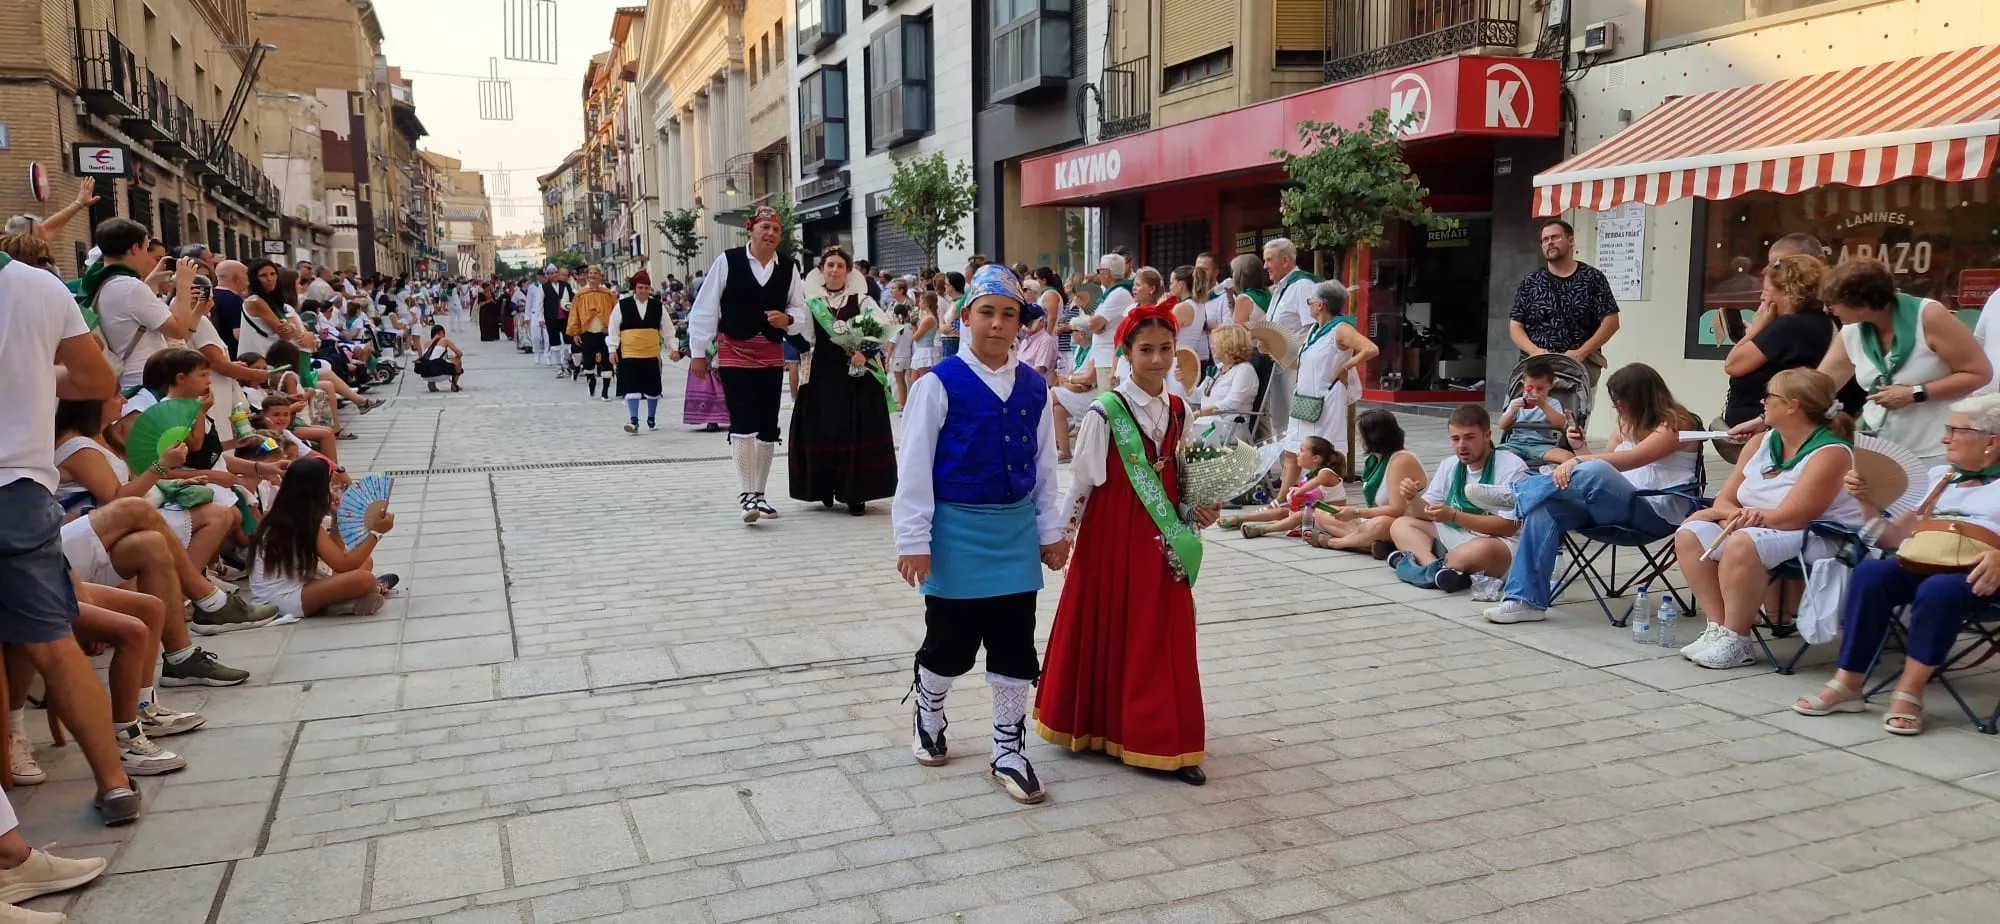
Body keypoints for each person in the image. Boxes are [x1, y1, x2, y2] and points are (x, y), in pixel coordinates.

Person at [893, 264, 1065, 805]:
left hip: (1013, 532)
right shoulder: (938, 384)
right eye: (986, 312)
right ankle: (929, 706)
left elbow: (1044, 465)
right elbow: (915, 466)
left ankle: (1008, 747)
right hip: (956, 533)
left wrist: (1049, 531)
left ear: (1022, 323)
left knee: (1015, 643)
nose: (996, 324)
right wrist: (913, 540)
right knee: (951, 644)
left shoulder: (1036, 386)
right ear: (964, 317)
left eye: (1008, 314)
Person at [1037, 301, 1220, 786]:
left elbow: (1186, 472)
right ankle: (1106, 727)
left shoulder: (1180, 409)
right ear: (1126, 352)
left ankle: (1166, 737)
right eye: (1146, 350)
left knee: (1164, 632)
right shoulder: (1106, 411)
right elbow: (1081, 483)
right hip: (1113, 537)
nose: (1157, 359)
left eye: (1165, 349)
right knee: (1114, 626)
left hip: (1162, 538)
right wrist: (1060, 538)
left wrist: (1204, 503)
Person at [0, 237, 148, 825]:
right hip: (18, 486)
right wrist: (35, 370)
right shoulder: (39, 286)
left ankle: (8, 792)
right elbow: (93, 379)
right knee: (53, 641)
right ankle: (113, 782)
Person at [1793, 392, 2000, 734]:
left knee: (1938, 591)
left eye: (1954, 430)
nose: (1944, 437)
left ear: (1990, 442)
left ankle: (1909, 691)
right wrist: (1865, 502)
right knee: (1873, 573)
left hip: (1982, 575)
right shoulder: (1941, 477)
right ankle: (1848, 683)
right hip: (1929, 560)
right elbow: (1890, 539)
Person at [1475, 363, 1702, 624]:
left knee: (1593, 470)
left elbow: (1632, 459)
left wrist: (1576, 461)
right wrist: (1579, 448)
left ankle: (1516, 495)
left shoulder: (1676, 423)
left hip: (1652, 512)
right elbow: (1598, 471)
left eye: (1620, 400)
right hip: (1611, 507)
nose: (1616, 406)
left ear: (1641, 397)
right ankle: (1525, 602)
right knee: (1543, 508)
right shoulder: (1624, 424)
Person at [1674, 369, 1863, 669]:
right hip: (1758, 525)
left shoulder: (1831, 452)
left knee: (1742, 543)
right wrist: (1731, 515)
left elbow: (1793, 517)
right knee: (1690, 534)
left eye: (1770, 396)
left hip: (1819, 534)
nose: (1762, 402)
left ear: (1793, 405)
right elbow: (1726, 498)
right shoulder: (1761, 441)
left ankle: (1738, 638)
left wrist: (1733, 519)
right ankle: (1718, 627)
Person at [687, 206, 810, 522]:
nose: (770, 234)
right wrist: (698, 352)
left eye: (776, 230)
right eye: (765, 227)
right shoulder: (728, 260)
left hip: (770, 350)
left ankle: (760, 494)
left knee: (769, 422)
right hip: (734, 349)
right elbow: (705, 307)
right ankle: (746, 495)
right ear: (751, 230)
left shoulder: (789, 268)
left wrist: (788, 319)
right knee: (743, 418)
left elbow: (800, 307)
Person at [1818, 258, 1990, 463]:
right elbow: (1820, 384)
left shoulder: (1929, 316)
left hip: (1935, 449)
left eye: (1831, 303)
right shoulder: (1852, 330)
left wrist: (1915, 393)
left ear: (1863, 303)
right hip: (1877, 447)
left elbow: (1979, 373)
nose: (1826, 310)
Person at [789, 247, 898, 515]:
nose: (835, 270)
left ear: (848, 271)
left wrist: (865, 352)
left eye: (840, 265)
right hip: (824, 375)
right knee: (825, 430)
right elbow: (801, 337)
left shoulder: (862, 300)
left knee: (854, 431)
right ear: (821, 270)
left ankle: (855, 493)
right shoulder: (811, 304)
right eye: (830, 265)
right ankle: (824, 487)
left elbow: (883, 328)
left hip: (857, 376)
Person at [1387, 404, 1529, 593]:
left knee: (1477, 551)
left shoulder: (1511, 466)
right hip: (1457, 534)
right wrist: (1413, 498)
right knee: (1401, 525)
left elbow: (1508, 527)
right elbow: (1425, 513)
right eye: (1455, 439)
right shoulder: (1450, 464)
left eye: (1469, 437)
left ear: (1487, 436)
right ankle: (1436, 569)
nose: (1461, 445)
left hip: (1497, 542)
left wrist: (1455, 516)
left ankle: (1417, 565)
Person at [1714, 253, 1837, 464]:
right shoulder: (1820, 321)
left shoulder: (1788, 326)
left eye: (1766, 291)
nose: (1762, 297)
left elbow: (1733, 365)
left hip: (1767, 433)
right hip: (1778, 424)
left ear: (1787, 292)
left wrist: (1758, 327)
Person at [247, 457, 395, 620]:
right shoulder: (302, 521)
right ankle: (363, 591)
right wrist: (376, 533)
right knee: (364, 579)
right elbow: (344, 565)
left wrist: (336, 518)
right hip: (281, 600)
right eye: (329, 486)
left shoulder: (285, 512)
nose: (332, 492)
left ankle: (341, 601)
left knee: (366, 561)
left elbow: (337, 562)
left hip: (296, 587)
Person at [84, 220, 202, 389]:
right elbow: (178, 330)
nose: (147, 255)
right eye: (146, 248)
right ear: (134, 248)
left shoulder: (102, 282)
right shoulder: (130, 287)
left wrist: (151, 282)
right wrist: (183, 285)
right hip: (142, 382)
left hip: (126, 380)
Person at [1281, 280, 1377, 486]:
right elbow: (1298, 364)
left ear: (1320, 305)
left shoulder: (1340, 329)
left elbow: (1370, 348)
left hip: (1326, 400)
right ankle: (1284, 499)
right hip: (1305, 399)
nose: (1308, 305)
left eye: (1310, 301)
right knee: (1292, 451)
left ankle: (1320, 495)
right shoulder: (1313, 331)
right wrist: (1272, 350)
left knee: (1324, 455)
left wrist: (1346, 367)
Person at [1509, 219, 1621, 390]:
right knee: (1530, 416)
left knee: (1573, 416)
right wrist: (1534, 351)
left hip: (1577, 369)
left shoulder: (1593, 278)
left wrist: (1581, 352)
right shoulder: (1530, 282)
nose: (1549, 243)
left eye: (1555, 237)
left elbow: (1611, 323)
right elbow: (1515, 326)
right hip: (1536, 372)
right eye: (1545, 240)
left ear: (1570, 241)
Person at [1308, 409, 1426, 556]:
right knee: (1322, 512)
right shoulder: (1376, 459)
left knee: (1381, 524)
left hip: (1404, 524)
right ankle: (1371, 544)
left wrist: (1357, 512)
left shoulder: (1401, 461)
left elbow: (1397, 510)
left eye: (1360, 435)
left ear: (1374, 437)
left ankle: (1336, 543)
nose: (1358, 439)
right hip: (1376, 520)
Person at [1220, 436, 1343, 539]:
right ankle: (1240, 519)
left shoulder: (1327, 473)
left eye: (1301, 450)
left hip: (1332, 519)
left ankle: (1264, 529)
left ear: (1316, 458)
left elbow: (1316, 482)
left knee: (1298, 516)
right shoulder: (1310, 474)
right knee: (1281, 512)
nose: (1297, 454)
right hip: (1315, 516)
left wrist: (1298, 492)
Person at [608, 271, 676, 433]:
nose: (644, 291)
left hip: (651, 354)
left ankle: (651, 418)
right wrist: (612, 349)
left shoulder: (658, 307)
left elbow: (668, 330)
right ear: (634, 288)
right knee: (631, 387)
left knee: (653, 388)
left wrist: (673, 348)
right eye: (640, 288)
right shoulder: (622, 306)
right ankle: (634, 420)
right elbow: (613, 329)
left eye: (646, 288)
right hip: (629, 354)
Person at [1495, 356, 1576, 466]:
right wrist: (1512, 412)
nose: (1534, 392)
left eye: (1540, 388)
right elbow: (1501, 425)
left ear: (1550, 386)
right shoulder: (1517, 402)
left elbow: (1561, 424)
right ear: (1523, 384)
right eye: (1530, 388)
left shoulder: (1552, 403)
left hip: (1543, 445)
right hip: (1516, 443)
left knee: (1569, 458)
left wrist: (1543, 405)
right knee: (1494, 456)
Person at [1191, 324, 1260, 446]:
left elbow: (1232, 403)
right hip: (1206, 422)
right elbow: (1198, 398)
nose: (1212, 347)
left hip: (1230, 426)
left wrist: (1199, 412)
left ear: (1229, 344)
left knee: (1179, 435)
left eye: (1216, 343)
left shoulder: (1244, 370)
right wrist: (1184, 382)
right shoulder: (1218, 368)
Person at [1083, 254, 1136, 392]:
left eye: (1099, 271)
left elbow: (1094, 324)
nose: (1098, 275)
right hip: (1103, 358)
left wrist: (1084, 324)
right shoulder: (1110, 292)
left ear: (1106, 273)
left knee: (1109, 405)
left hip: (1109, 360)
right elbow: (1096, 322)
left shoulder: (1118, 293)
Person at [568, 267, 618, 398]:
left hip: (604, 333)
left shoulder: (608, 294)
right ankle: (591, 380)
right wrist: (576, 333)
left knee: (607, 362)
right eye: (590, 273)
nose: (593, 275)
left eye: (595, 273)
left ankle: (605, 392)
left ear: (600, 276)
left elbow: (616, 312)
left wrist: (613, 329)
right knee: (589, 361)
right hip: (587, 332)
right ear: (587, 276)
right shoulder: (580, 294)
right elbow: (575, 314)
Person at [415, 325, 463, 393]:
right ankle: (454, 385)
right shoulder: (445, 340)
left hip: (425, 375)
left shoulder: (427, 343)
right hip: (440, 374)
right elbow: (460, 353)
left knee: (431, 361)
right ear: (440, 332)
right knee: (458, 360)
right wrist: (453, 358)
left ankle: (431, 384)